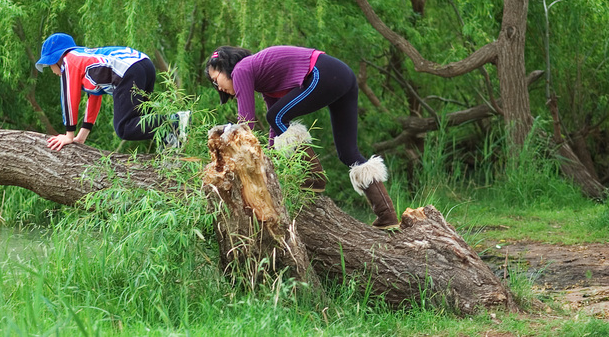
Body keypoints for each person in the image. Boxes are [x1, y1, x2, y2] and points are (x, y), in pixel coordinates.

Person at [205, 45, 400, 229]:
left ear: (225, 67)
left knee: (276, 116)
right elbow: (275, 126)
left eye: (216, 79)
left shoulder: (241, 69)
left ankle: (314, 178)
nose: (218, 87)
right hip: (342, 76)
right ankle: (387, 216)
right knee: (348, 152)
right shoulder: (263, 79)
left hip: (323, 72)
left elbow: (246, 124)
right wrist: (271, 161)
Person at [35, 33, 189, 151]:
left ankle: (176, 120)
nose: (52, 70)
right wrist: (81, 136)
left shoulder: (69, 61)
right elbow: (94, 99)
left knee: (124, 128)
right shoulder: (83, 59)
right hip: (143, 64)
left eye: (50, 65)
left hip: (129, 71)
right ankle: (173, 141)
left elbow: (69, 99)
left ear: (57, 58)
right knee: (143, 119)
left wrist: (69, 135)